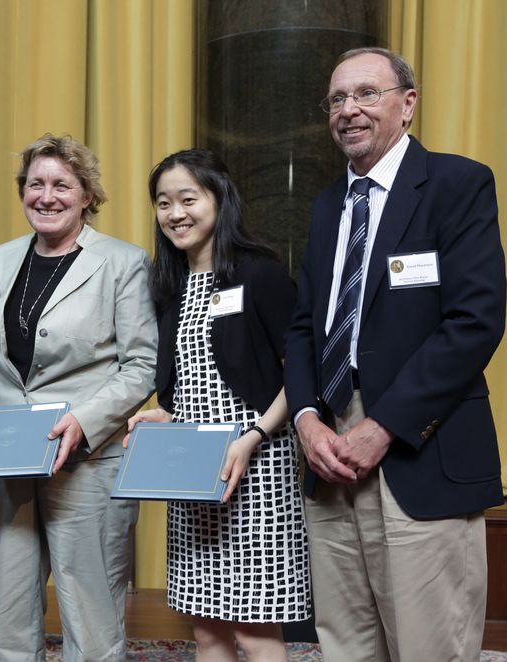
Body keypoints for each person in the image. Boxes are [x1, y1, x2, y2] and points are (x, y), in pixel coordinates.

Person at [284, 47, 506, 661]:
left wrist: (383, 427)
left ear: (407, 105)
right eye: (337, 99)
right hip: (329, 455)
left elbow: (475, 322)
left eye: (366, 94)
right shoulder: (330, 206)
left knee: (428, 644)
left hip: (417, 446)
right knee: (346, 643)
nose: (349, 110)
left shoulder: (458, 184)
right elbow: (304, 326)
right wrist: (305, 419)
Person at [0, 134, 157, 661]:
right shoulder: (2, 259)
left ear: (87, 194)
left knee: (90, 608)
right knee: (10, 604)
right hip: (8, 455)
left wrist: (84, 422)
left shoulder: (122, 262)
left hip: (87, 459)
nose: (47, 196)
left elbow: (141, 366)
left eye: (62, 185)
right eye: (35, 184)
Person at [127, 149, 311, 661]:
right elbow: (194, 379)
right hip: (193, 473)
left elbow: (302, 371)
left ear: (219, 199)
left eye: (189, 198)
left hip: (257, 469)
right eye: (164, 203)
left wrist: (253, 436)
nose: (175, 213)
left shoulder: (262, 274)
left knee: (254, 632)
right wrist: (169, 415)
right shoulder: (171, 286)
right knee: (206, 630)